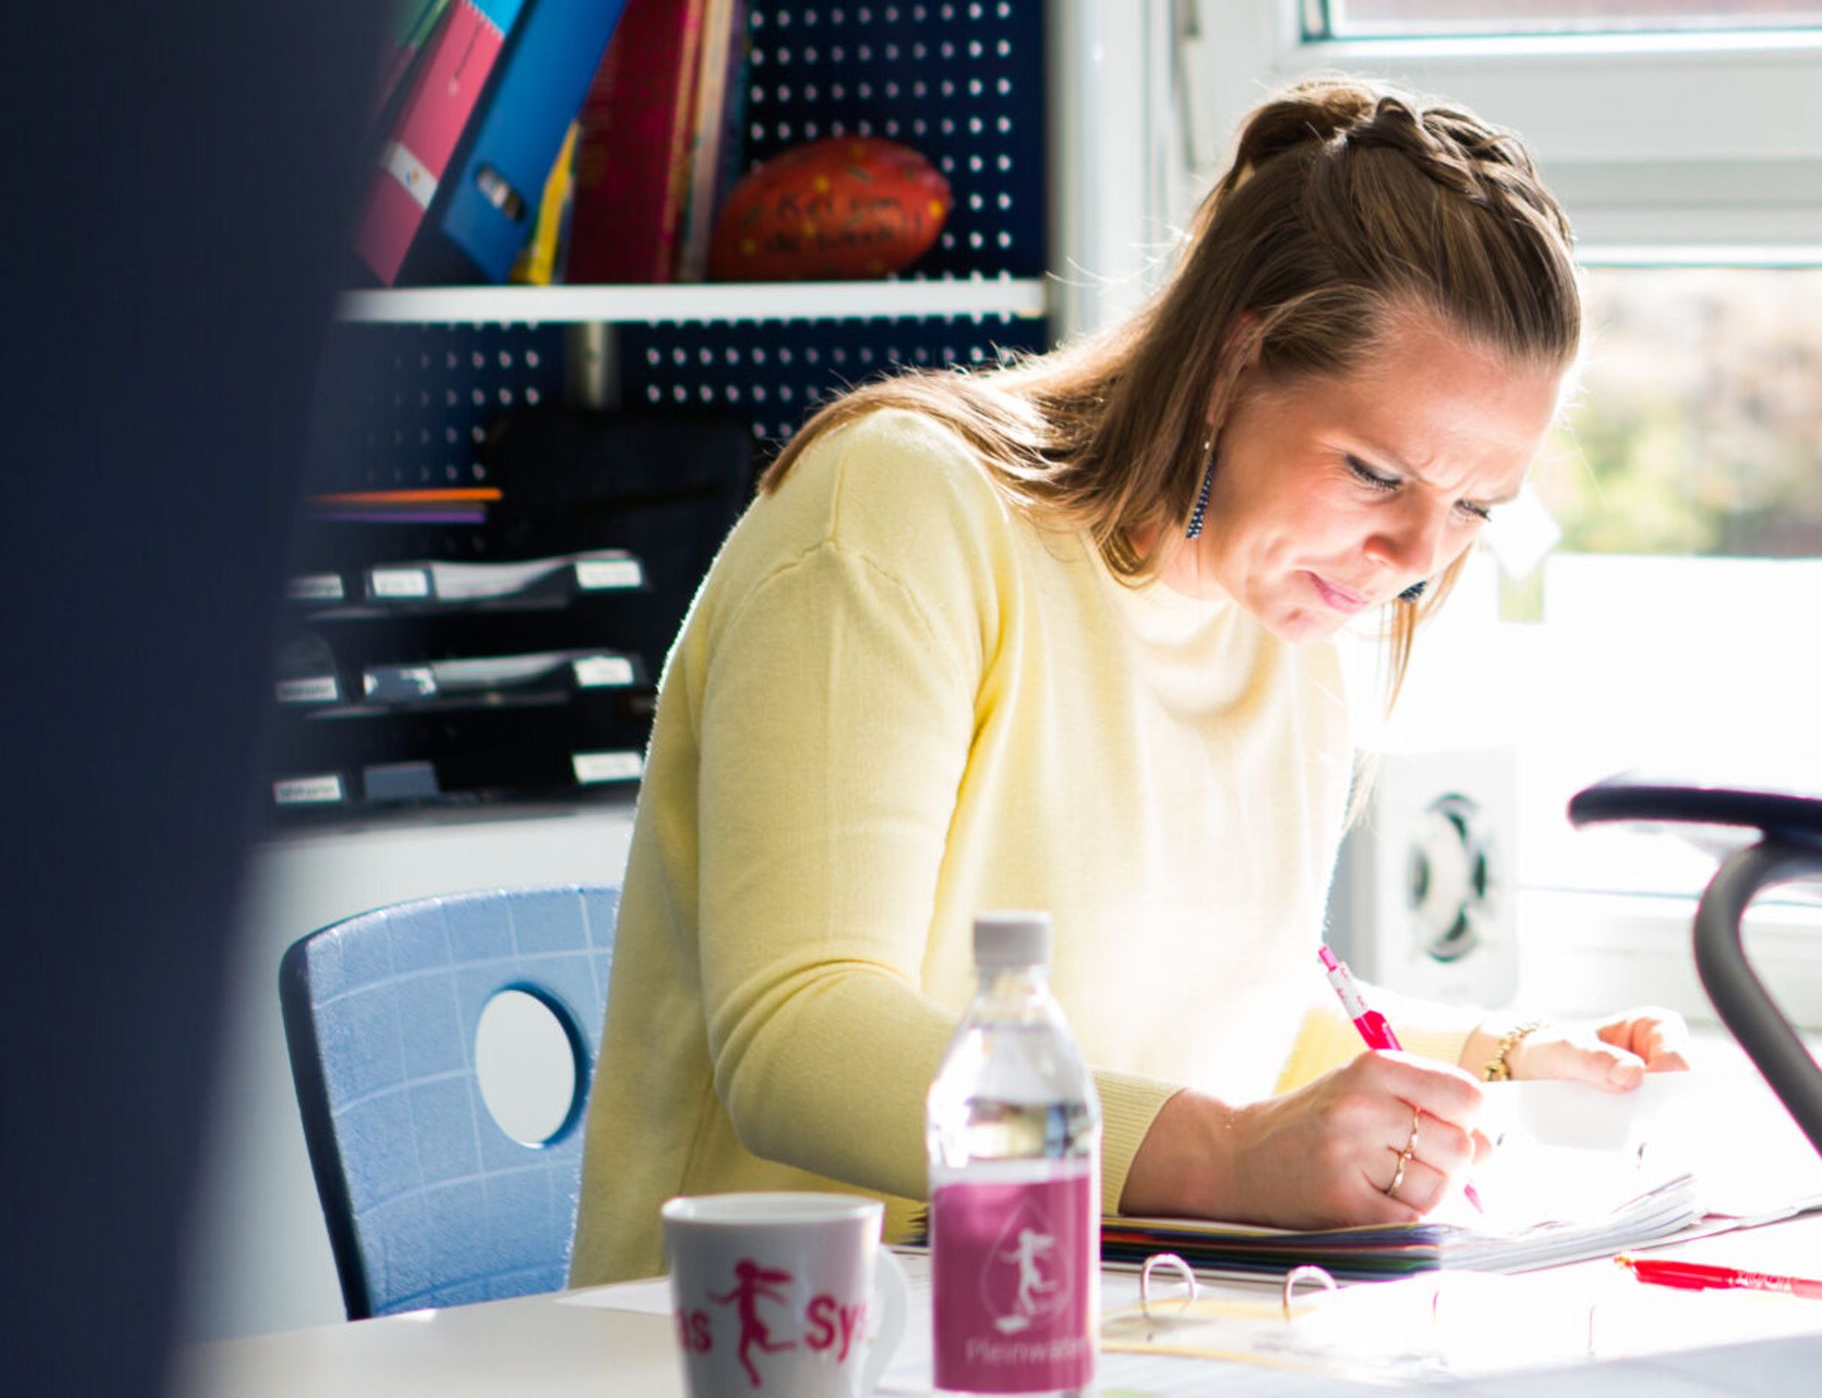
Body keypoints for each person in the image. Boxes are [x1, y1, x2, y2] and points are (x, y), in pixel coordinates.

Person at [571, 80, 1685, 1283]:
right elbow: (801, 1036)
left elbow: (1219, 1029)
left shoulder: (1291, 618)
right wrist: (1225, 1158)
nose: (1419, 560)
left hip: (1070, 1330)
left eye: (1473, 505)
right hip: (767, 1339)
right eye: (1376, 471)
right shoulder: (901, 506)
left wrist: (1501, 1060)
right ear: (1230, 358)